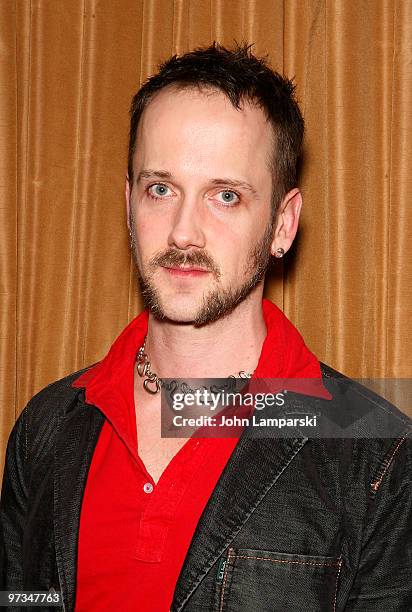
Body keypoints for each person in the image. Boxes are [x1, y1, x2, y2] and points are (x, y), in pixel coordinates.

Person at [1, 43, 411, 612]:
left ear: (282, 224)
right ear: (128, 205)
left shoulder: (378, 454)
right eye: (161, 189)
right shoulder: (45, 426)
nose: (183, 233)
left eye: (225, 196)